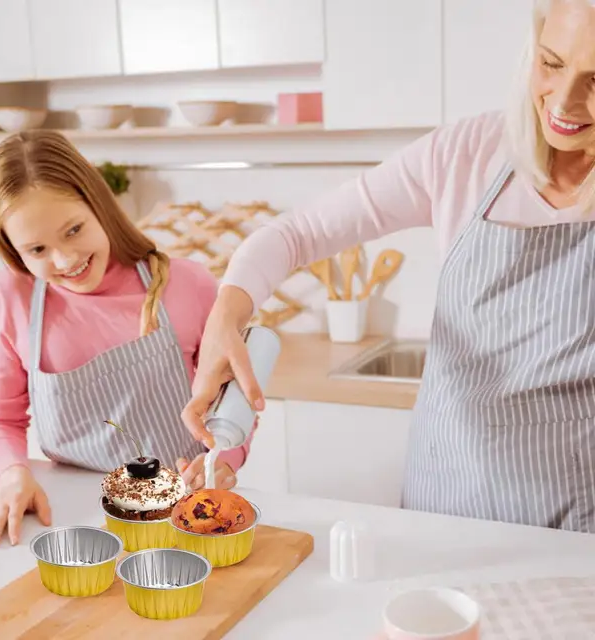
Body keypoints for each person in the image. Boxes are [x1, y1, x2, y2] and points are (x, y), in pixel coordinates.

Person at [182, 0, 595, 533]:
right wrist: (226, 315)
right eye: (551, 63)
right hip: (443, 500)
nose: (564, 101)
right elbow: (294, 235)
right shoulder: (467, 156)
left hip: (574, 522)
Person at [0, 131, 253, 550]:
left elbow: (235, 403)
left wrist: (222, 461)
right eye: (37, 249)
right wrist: (12, 474)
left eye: (74, 229)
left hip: (187, 514)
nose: (66, 260)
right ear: (13, 252)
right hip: (75, 523)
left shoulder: (187, 285)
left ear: (98, 204)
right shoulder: (13, 299)